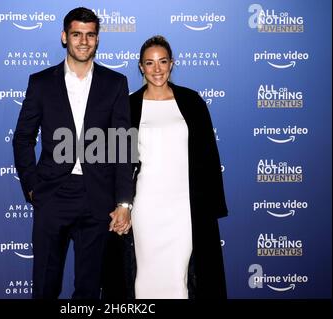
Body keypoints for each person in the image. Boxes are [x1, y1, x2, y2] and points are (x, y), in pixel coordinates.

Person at [12, 7, 133, 299]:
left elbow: (122, 146)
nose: (83, 41)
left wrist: (124, 203)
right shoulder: (40, 83)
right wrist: (32, 187)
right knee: (45, 285)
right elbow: (23, 139)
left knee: (90, 288)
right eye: (77, 34)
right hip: (53, 194)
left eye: (90, 35)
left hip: (98, 197)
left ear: (97, 39)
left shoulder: (115, 84)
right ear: (65, 37)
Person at [128, 35, 228, 299]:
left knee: (178, 278)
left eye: (163, 62)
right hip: (146, 206)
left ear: (172, 64)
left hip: (184, 206)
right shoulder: (128, 105)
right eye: (150, 63)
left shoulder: (192, 101)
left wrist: (212, 206)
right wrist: (121, 204)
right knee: (146, 276)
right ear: (141, 67)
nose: (157, 69)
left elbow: (209, 157)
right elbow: (119, 160)